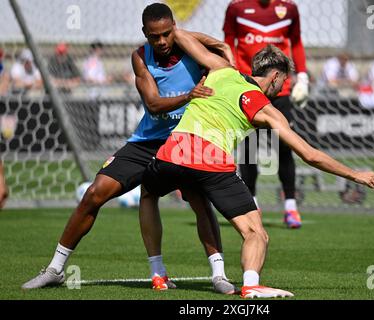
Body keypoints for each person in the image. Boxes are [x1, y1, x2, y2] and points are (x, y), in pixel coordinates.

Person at [142, 31, 374, 298]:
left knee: (149, 193)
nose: (282, 88)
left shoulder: (222, 68)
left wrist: (219, 44)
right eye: (284, 82)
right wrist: (355, 174)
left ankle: (157, 271)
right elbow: (309, 154)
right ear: (276, 76)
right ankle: (252, 284)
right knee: (256, 233)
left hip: (173, 151)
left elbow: (178, 34)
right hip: (211, 161)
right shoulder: (265, 107)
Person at [22, 3, 237, 294]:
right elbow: (153, 104)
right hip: (147, 142)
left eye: (166, 34)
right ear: (144, 34)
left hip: (186, 140)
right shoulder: (140, 57)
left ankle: (219, 275)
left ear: (175, 29)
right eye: (154, 36)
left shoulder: (193, 51)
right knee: (94, 193)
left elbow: (224, 53)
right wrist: (190, 95)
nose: (161, 42)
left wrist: (205, 41)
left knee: (199, 199)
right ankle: (55, 269)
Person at [223, 0, 309, 228]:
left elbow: (296, 42)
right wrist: (230, 76)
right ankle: (252, 204)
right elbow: (228, 44)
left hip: (280, 89)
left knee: (284, 146)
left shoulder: (288, 8)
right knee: (248, 149)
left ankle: (291, 207)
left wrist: (303, 77)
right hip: (248, 87)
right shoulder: (236, 7)